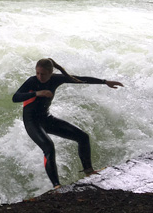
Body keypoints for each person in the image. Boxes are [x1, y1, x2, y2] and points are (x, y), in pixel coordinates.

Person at [12, 58, 123, 189]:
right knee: (49, 148)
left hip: (47, 119)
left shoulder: (56, 79)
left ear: (50, 72)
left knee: (83, 137)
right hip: (32, 122)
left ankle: (89, 171)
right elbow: (15, 97)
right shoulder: (32, 81)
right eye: (37, 73)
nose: (39, 76)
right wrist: (37, 93)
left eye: (43, 74)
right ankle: (56, 186)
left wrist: (104, 82)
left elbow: (79, 79)